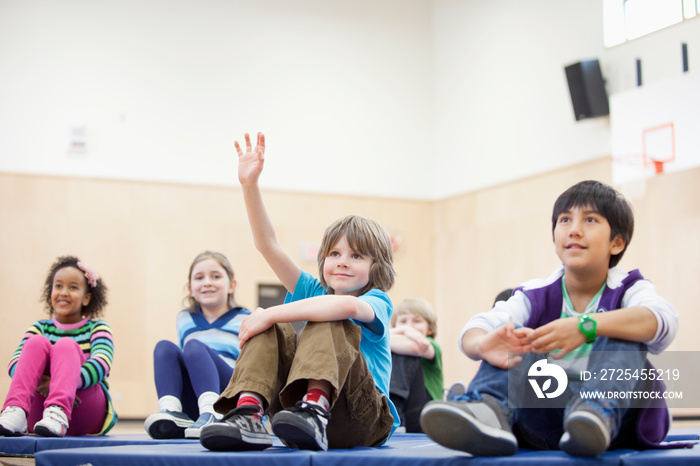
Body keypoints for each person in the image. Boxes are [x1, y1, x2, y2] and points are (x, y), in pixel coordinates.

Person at [420, 180, 679, 457]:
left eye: (590, 220)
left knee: (625, 328)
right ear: (555, 235)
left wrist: (585, 326)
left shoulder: (630, 288)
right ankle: (488, 411)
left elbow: (662, 320)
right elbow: (479, 326)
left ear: (616, 242)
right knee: (513, 334)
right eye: (565, 220)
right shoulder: (536, 293)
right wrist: (482, 345)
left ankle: (595, 411)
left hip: (618, 423)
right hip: (547, 422)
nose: (575, 230)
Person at [199, 132, 398, 452]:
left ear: (376, 267)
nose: (342, 262)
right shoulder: (312, 288)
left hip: (361, 419)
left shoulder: (377, 301)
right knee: (273, 325)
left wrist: (269, 312)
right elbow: (268, 245)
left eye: (356, 255)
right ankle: (249, 412)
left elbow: (343, 308)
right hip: (293, 416)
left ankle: (316, 407)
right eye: (334, 254)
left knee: (327, 311)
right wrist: (250, 187)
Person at [0, 256, 114, 437]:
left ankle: (59, 412)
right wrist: (44, 383)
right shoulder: (39, 328)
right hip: (38, 413)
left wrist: (62, 383)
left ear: (86, 298)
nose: (63, 292)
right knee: (35, 343)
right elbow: (15, 364)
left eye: (73, 287)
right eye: (58, 286)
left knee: (66, 345)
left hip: (83, 408)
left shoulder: (97, 328)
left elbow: (102, 363)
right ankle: (16, 409)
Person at [144, 251, 251, 439]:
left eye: (215, 276)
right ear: (190, 289)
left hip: (229, 396)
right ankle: (172, 411)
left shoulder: (245, 318)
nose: (207, 282)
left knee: (194, 347)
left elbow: (252, 369)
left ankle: (212, 413)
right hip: (195, 399)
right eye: (199, 278)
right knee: (164, 347)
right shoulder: (184, 318)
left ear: (231, 286)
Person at [389, 297, 443, 433]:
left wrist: (399, 333)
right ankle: (392, 413)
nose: (409, 326)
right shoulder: (392, 341)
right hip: (405, 409)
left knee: (405, 353)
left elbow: (417, 347)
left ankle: (394, 415)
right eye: (403, 321)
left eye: (417, 321)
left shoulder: (433, 345)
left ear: (430, 329)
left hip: (425, 413)